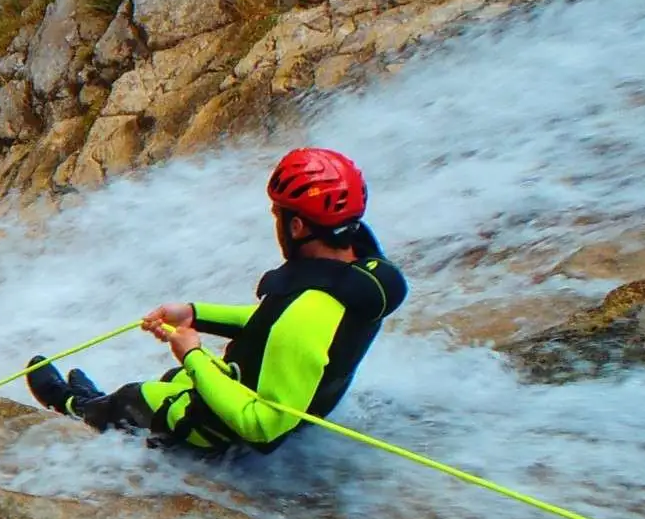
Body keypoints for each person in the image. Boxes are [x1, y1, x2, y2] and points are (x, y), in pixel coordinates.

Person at [27, 148, 407, 454]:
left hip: (228, 432)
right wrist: (195, 315)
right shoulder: (363, 279)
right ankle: (100, 399)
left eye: (279, 215)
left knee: (135, 398)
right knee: (175, 380)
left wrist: (191, 354)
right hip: (290, 402)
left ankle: (74, 405)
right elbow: (271, 324)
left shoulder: (305, 315)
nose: (276, 222)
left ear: (297, 227)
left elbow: (263, 428)